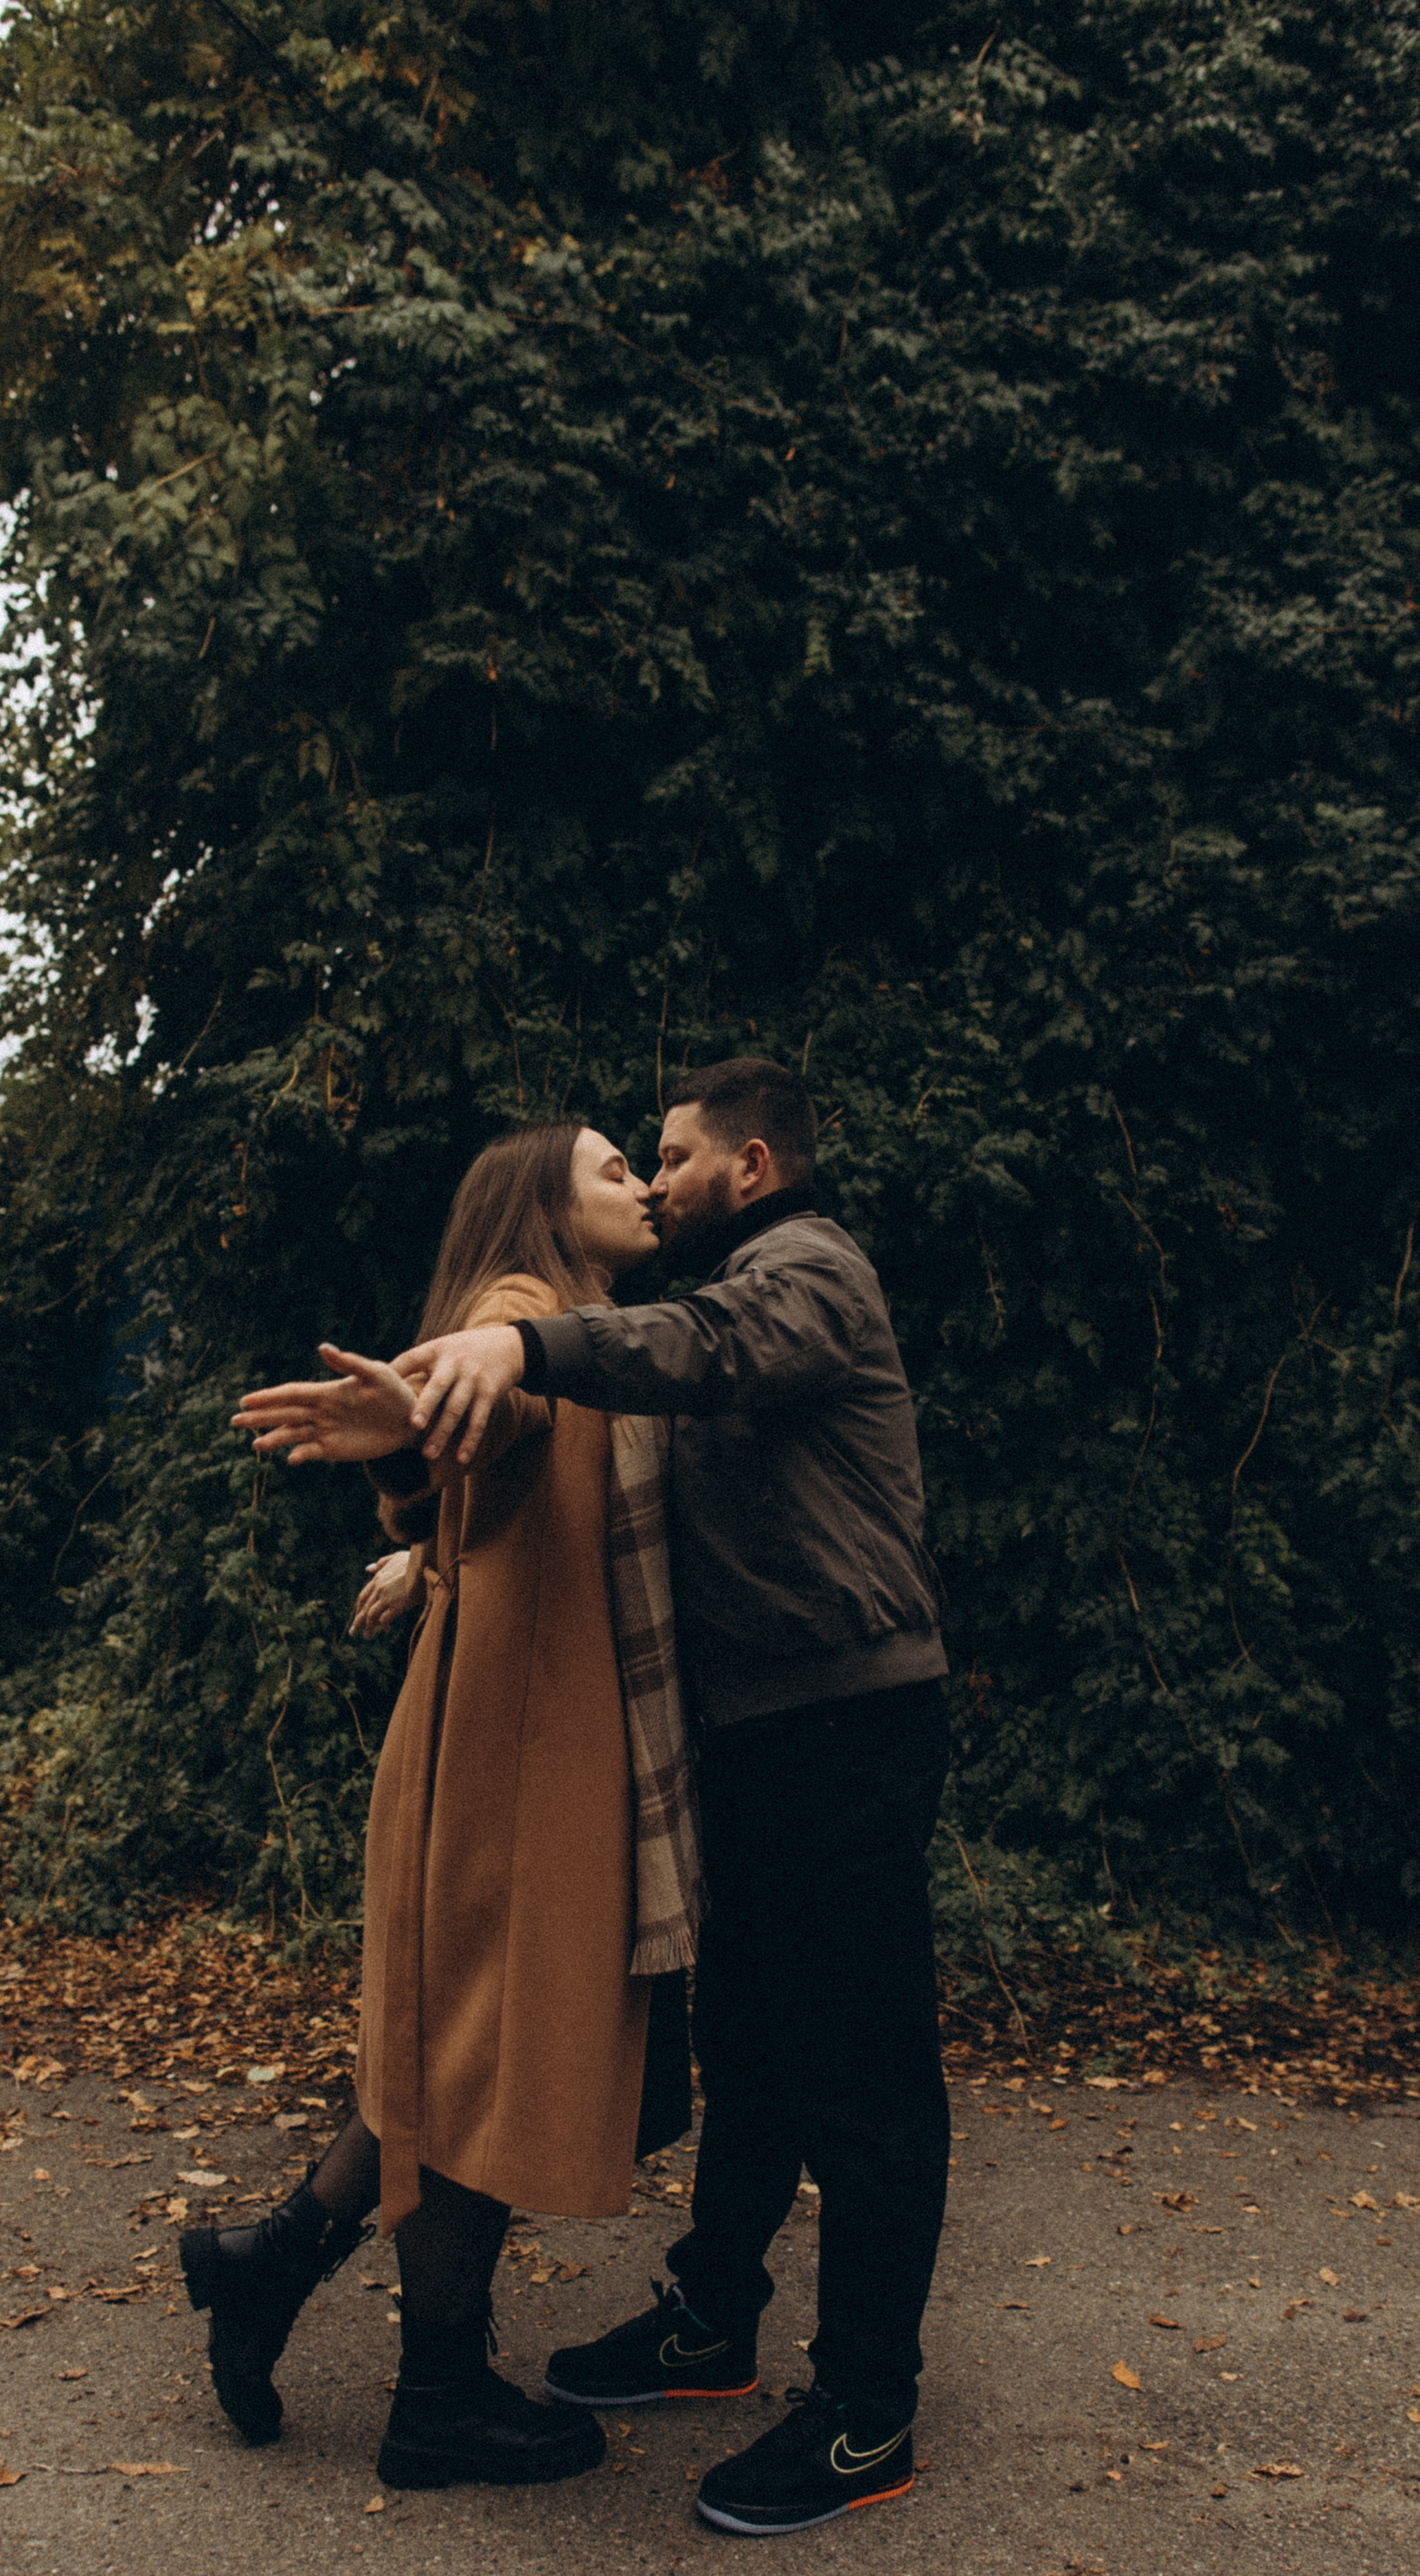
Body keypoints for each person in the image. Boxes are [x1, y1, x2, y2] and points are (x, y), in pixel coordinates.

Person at [302, 1058, 951, 2539]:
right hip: (752, 1733)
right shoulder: (663, 1337)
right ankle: (710, 2327)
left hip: (849, 1715)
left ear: (753, 1162)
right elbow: (570, 1499)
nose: (655, 1181)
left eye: (670, 1156)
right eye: (634, 1160)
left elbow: (696, 1351)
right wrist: (423, 1509)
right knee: (754, 2053)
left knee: (859, 2079)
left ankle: (865, 2413)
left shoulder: (804, 1268)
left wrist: (528, 1351)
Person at [210, 1123, 701, 2493]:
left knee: (452, 2058)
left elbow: (511, 1500)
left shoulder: (588, 1323)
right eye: (613, 1170)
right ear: (540, 1209)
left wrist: (423, 1532)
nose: (642, 1187)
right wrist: (421, 1450)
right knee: (473, 2061)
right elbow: (497, 1413)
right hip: (514, 1750)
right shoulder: (522, 1313)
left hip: (524, 1734)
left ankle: (268, 2269)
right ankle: (431, 2400)